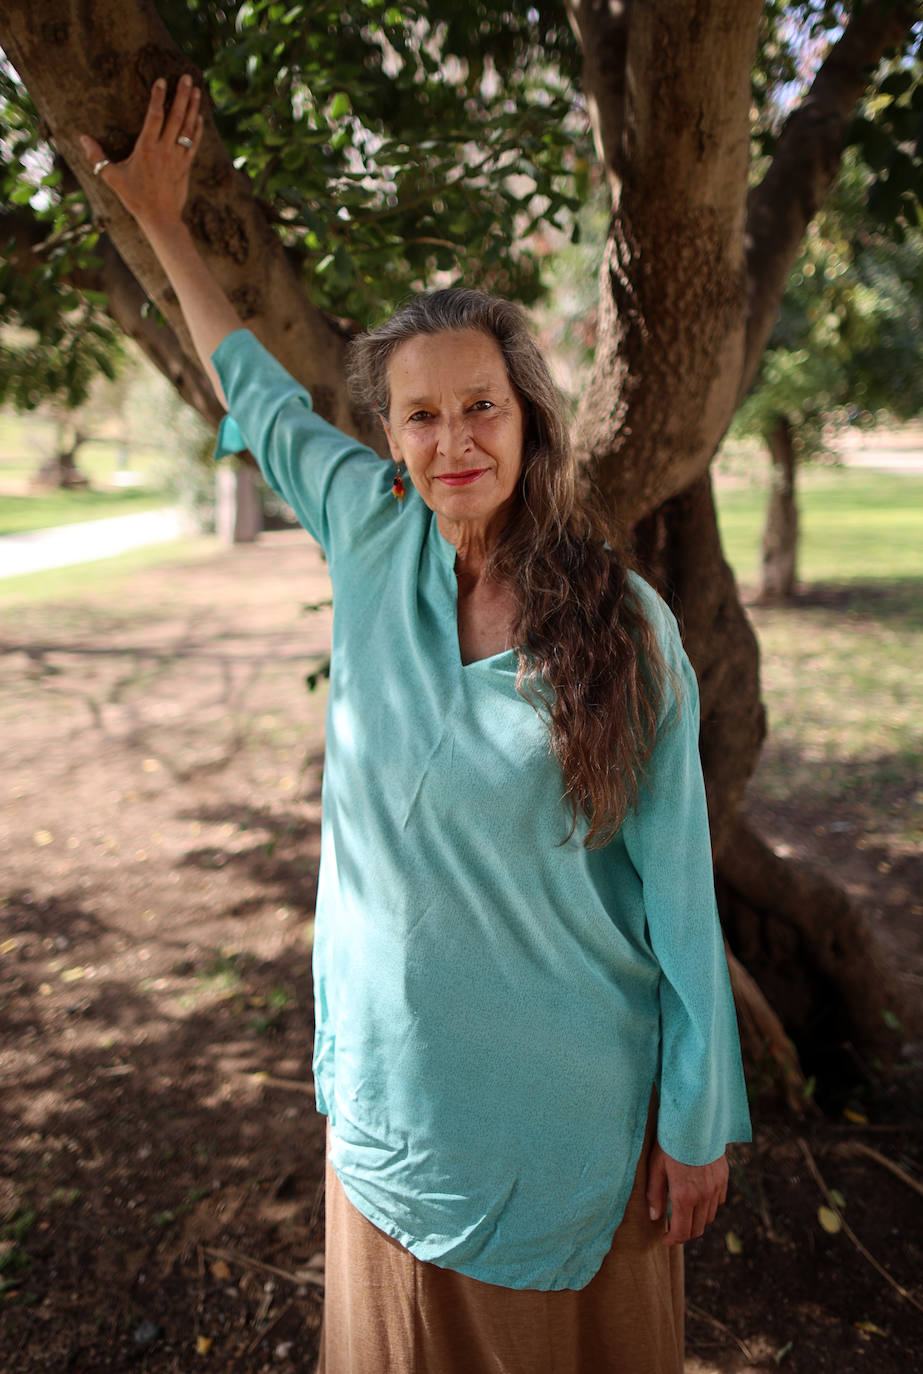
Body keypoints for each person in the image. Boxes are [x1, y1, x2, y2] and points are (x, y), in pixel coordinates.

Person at [81, 73, 751, 1374]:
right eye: (424, 413)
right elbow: (251, 387)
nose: (454, 439)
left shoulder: (626, 628)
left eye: (480, 406)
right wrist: (161, 221)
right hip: (388, 1111)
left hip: (566, 1128)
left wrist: (699, 1115)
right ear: (389, 437)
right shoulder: (368, 528)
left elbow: (678, 895)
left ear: (528, 423)